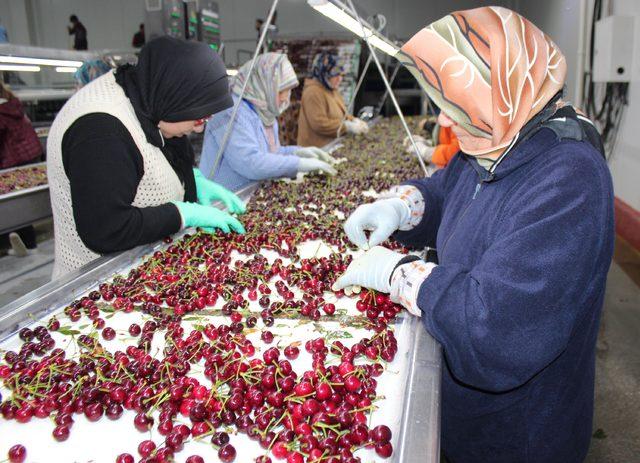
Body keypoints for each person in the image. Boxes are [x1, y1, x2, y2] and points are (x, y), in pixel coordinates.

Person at [333, 7, 613, 463]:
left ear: (502, 89)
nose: (446, 120)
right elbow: (446, 192)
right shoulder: (498, 137)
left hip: (517, 435)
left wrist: (400, 275)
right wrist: (401, 207)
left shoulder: (570, 180)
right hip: (467, 418)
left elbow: (498, 329)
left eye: (458, 104)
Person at [47, 37, 246, 278]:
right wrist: (183, 214)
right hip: (97, 285)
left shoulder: (155, 97)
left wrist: (191, 181)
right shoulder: (100, 132)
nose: (199, 129)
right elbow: (106, 230)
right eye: (198, 119)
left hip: (148, 270)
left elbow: (161, 147)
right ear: (177, 99)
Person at [199, 53, 336, 192]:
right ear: (264, 84)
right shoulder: (230, 111)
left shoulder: (265, 111)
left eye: (288, 91)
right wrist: (298, 164)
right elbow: (250, 163)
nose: (285, 98)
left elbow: (272, 153)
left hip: (250, 194)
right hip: (223, 200)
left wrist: (298, 152)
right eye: (281, 90)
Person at [0, 83, 43, 256]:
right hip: (30, 155)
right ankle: (30, 243)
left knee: (15, 209)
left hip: (12, 159)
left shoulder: (1, 113)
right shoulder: (12, 104)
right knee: (28, 206)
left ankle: (19, 244)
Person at [297, 51, 368, 147]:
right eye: (335, 75)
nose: (340, 79)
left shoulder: (331, 90)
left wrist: (354, 120)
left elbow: (343, 114)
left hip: (331, 145)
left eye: (341, 75)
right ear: (323, 74)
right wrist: (346, 127)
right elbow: (319, 124)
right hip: (317, 150)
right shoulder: (312, 93)